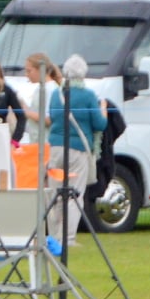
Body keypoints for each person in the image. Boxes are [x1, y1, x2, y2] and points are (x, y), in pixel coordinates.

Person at [45, 53, 108, 245]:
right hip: (78, 148)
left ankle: (54, 236)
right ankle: (68, 237)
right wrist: (103, 108)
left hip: (55, 147)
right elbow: (99, 124)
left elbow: (54, 119)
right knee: (74, 193)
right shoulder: (88, 96)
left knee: (55, 194)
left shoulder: (57, 94)